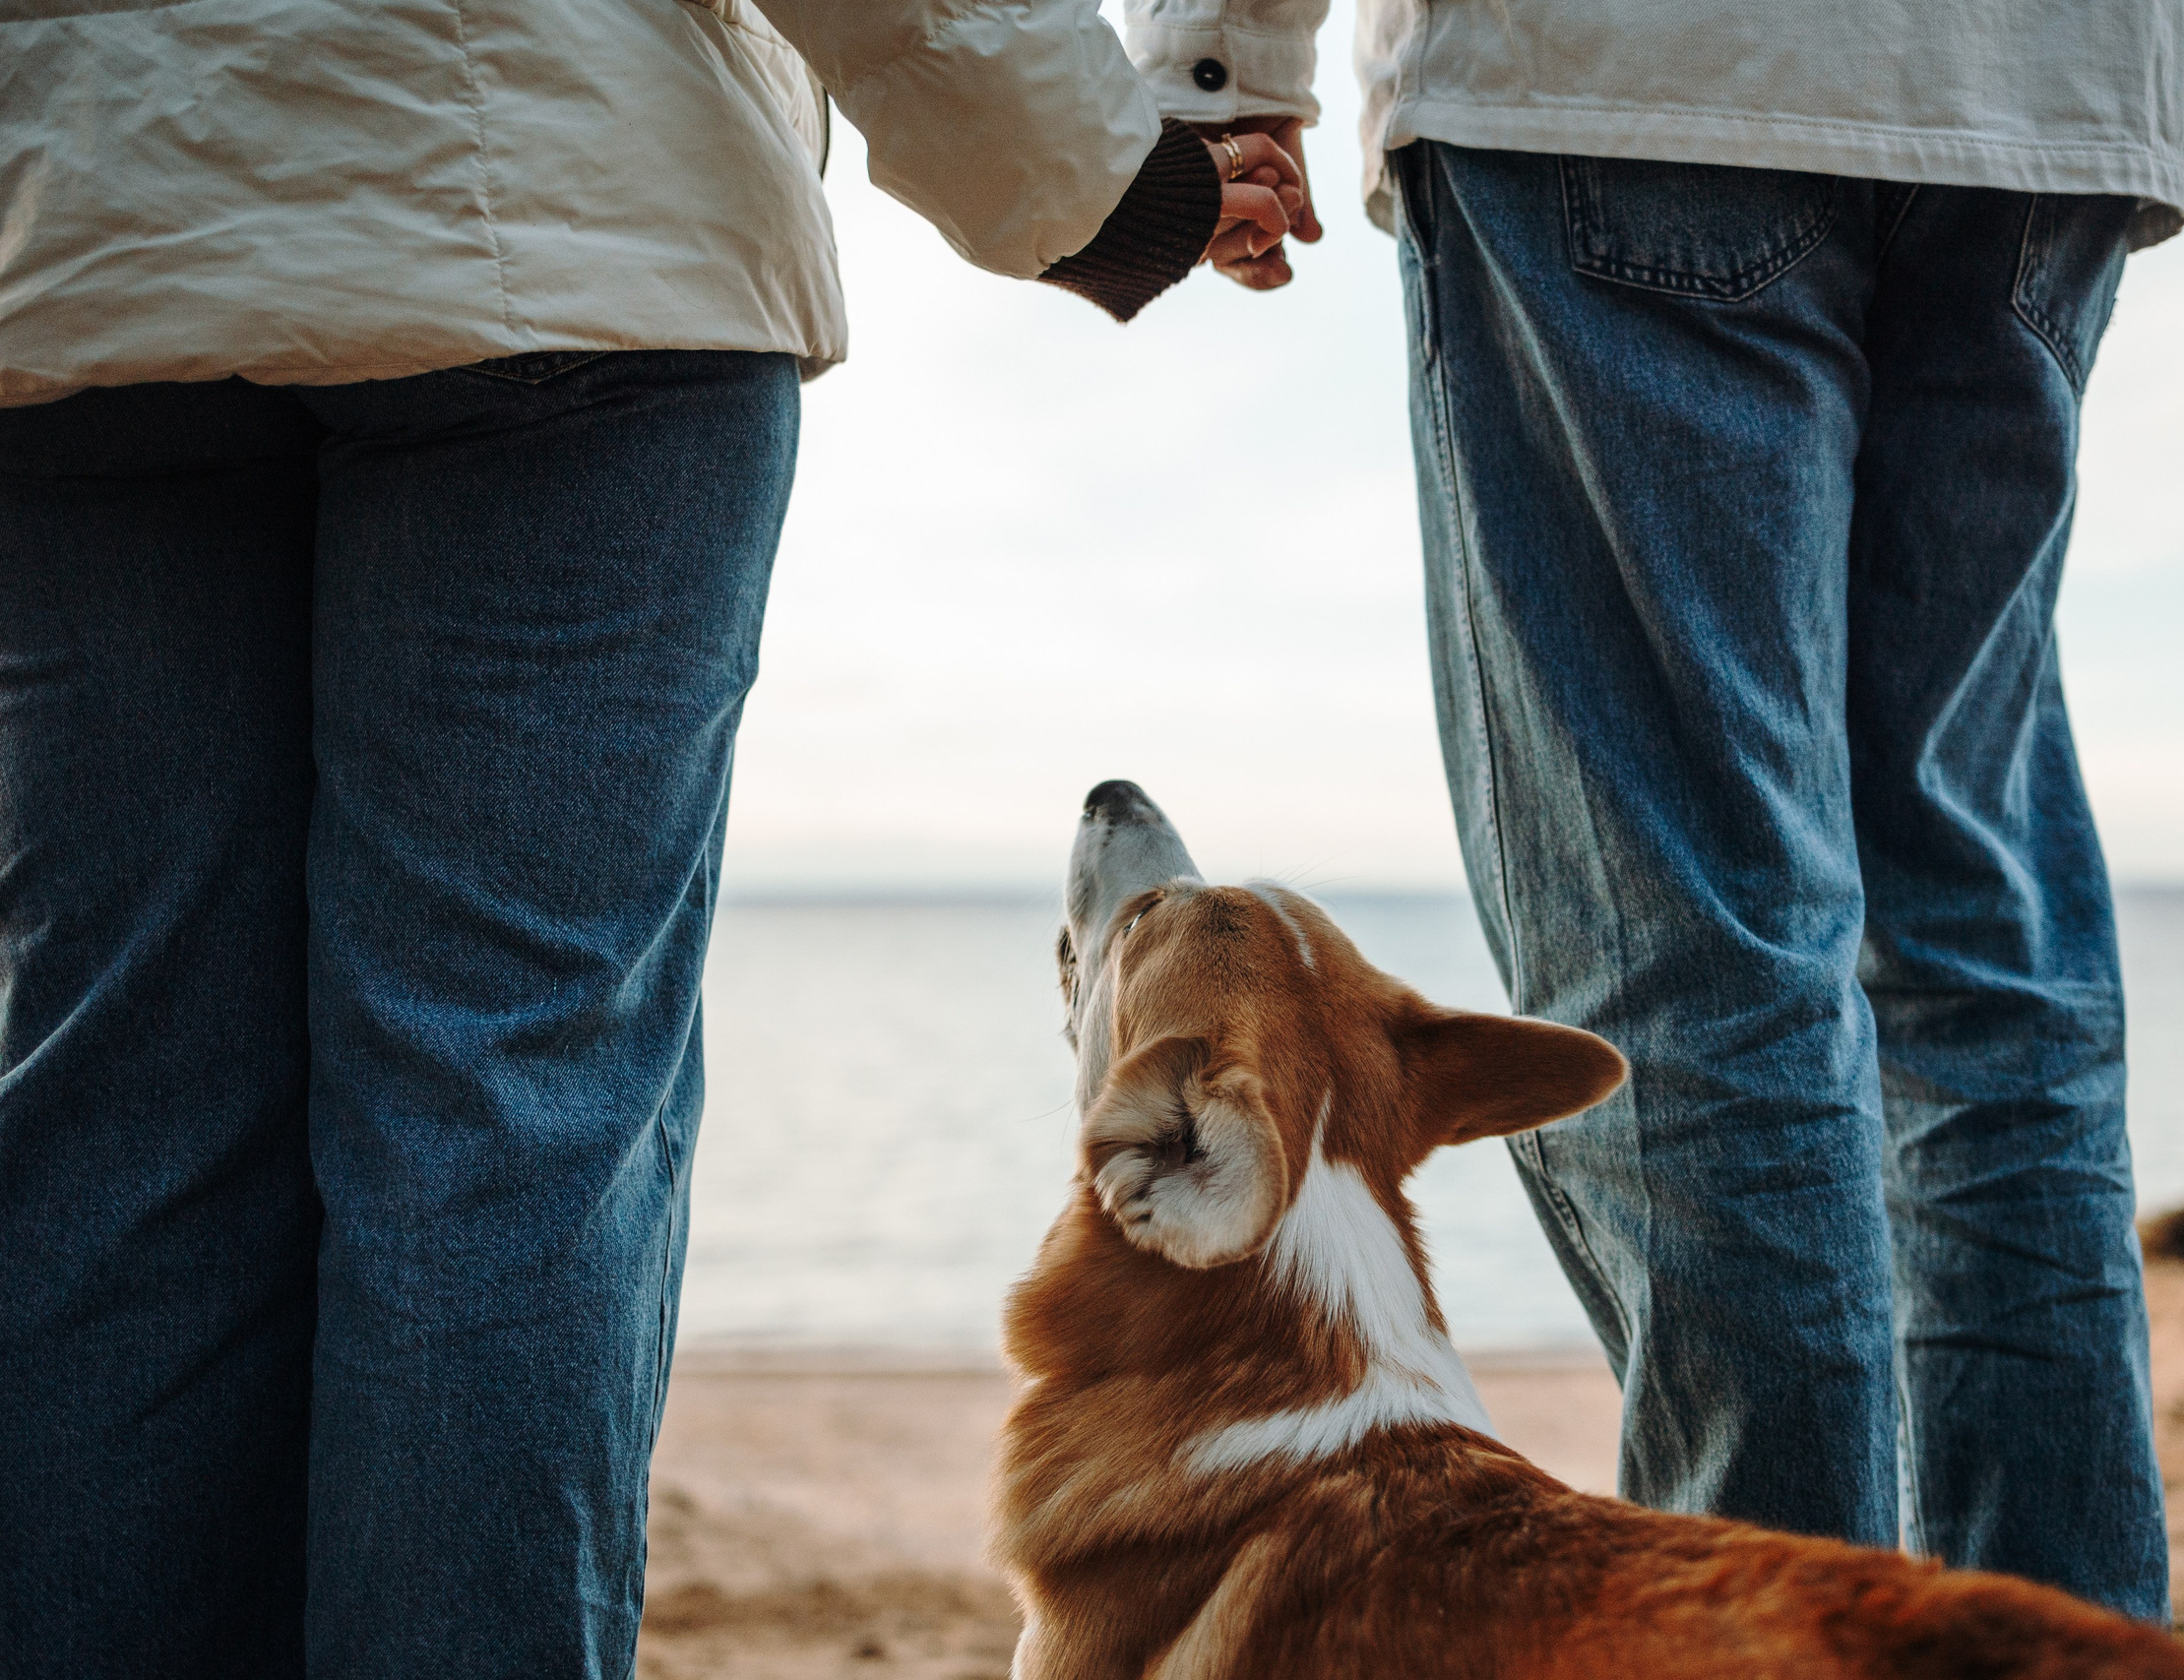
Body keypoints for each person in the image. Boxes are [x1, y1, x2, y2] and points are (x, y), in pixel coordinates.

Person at [0, 3, 1303, 1674]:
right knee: (494, 1110)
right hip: (554, 213)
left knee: (121, 1112)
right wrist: (1103, 180)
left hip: (84, 229)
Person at [1137, 0, 2184, 1618]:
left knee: (1701, 964)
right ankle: (2069, 1654)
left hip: (1627, 79)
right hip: (2047, 102)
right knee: (1986, 958)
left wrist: (1224, 66)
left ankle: (1778, 1652)